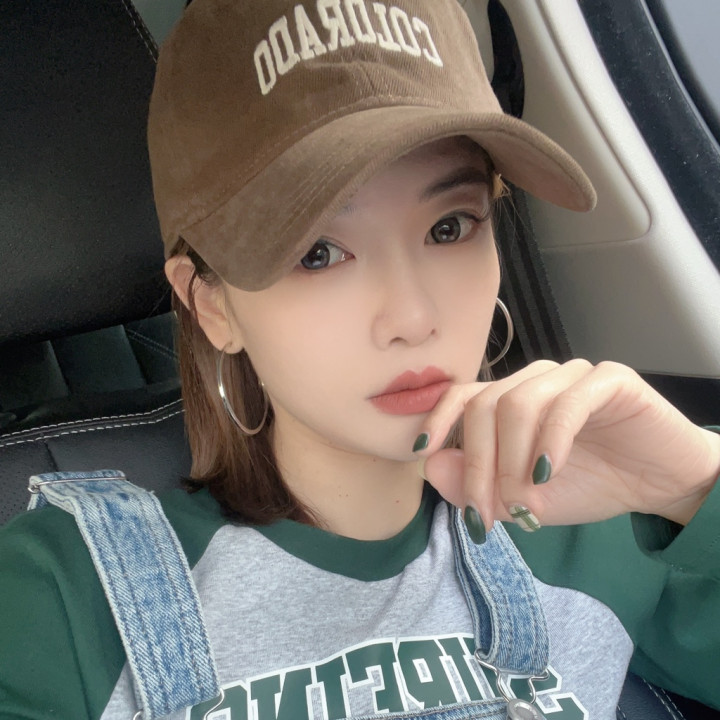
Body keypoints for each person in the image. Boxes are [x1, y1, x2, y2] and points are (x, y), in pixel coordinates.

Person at [1, 1, 719, 719]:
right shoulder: (64, 595)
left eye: (450, 227)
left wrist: (694, 484)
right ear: (211, 304)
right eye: (318, 253)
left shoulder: (590, 512)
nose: (412, 317)